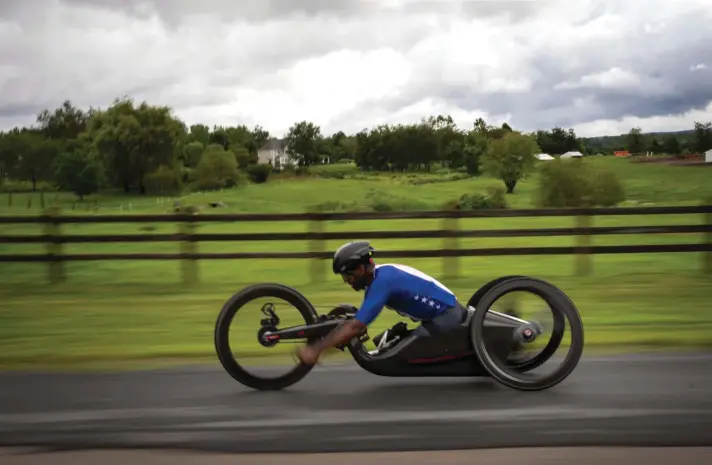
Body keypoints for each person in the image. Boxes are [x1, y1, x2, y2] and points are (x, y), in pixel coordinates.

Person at [295, 240, 467, 366]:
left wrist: (317, 350)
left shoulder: (382, 283)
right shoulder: (381, 274)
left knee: (397, 358)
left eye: (348, 276)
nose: (347, 281)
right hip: (441, 315)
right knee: (384, 343)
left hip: (446, 320)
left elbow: (356, 326)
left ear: (361, 269)